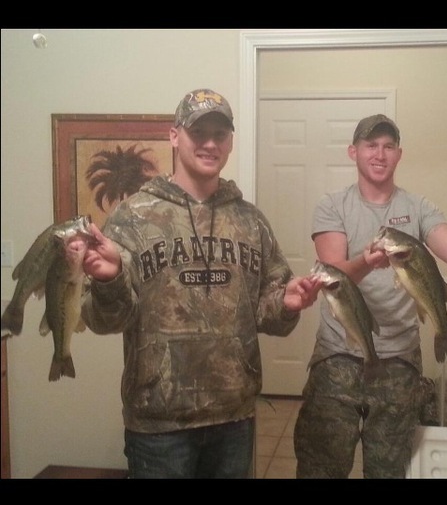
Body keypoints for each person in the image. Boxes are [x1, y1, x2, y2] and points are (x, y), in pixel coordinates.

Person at [80, 89, 321, 479]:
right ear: (175, 136)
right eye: (198, 132)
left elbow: (267, 312)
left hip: (234, 418)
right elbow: (103, 320)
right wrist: (109, 281)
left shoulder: (250, 221)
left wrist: (287, 303)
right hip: (159, 426)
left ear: (230, 142)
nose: (210, 143)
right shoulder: (132, 217)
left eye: (219, 134)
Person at [293, 113, 447, 479]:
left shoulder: (419, 208)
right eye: (371, 145)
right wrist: (367, 262)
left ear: (399, 155)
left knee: (388, 470)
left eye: (389, 146)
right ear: (353, 151)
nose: (380, 154)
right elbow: (333, 274)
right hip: (338, 357)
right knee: (321, 468)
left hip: (399, 362)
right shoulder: (333, 206)